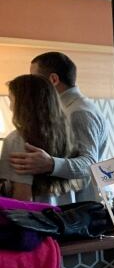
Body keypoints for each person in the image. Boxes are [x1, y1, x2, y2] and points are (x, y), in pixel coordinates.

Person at [9, 52, 110, 201]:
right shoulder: (67, 110)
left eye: (34, 77)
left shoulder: (77, 112)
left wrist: (50, 164)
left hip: (80, 205)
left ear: (54, 79)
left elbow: (89, 163)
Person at [0, 74, 82, 203]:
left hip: (37, 219)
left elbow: (22, 199)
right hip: (66, 217)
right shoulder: (66, 135)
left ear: (24, 104)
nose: (10, 107)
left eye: (11, 100)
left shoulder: (17, 140)